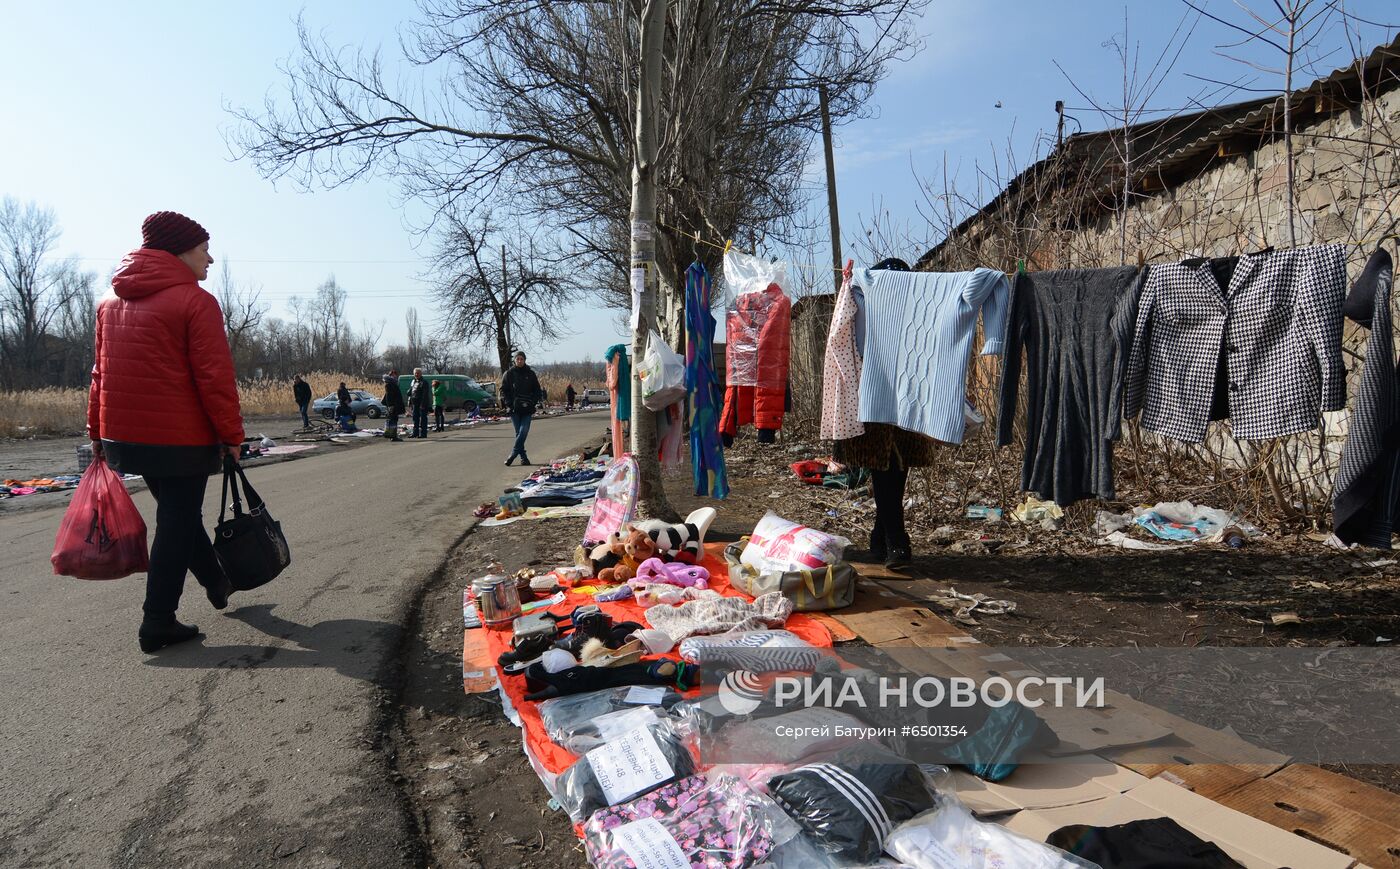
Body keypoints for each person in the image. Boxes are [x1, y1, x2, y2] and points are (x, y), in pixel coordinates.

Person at [88, 211, 241, 653]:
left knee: (179, 515)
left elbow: (100, 373)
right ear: (179, 251)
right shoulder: (195, 302)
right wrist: (232, 436)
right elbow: (214, 377)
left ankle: (217, 581)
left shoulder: (108, 303)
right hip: (181, 439)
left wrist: (96, 429)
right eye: (203, 249)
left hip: (126, 438)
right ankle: (157, 621)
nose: (210, 259)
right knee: (175, 522)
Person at [501, 350, 542, 466]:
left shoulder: (530, 374)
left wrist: (532, 402)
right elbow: (503, 390)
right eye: (517, 359)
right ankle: (524, 458)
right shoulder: (509, 373)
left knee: (523, 431)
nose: (519, 361)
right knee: (519, 432)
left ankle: (513, 454)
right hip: (514, 409)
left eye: (521, 359)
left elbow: (537, 391)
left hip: (527, 409)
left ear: (524, 360)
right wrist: (509, 403)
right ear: (514, 360)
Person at [407, 368, 431, 439]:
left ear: (421, 374)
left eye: (418, 373)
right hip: (415, 404)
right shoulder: (414, 381)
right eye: (415, 373)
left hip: (422, 404)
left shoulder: (424, 382)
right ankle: (415, 433)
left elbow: (425, 394)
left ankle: (423, 434)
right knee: (415, 419)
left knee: (423, 419)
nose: (416, 374)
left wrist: (422, 404)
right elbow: (411, 393)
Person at [382, 371, 405, 441]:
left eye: (395, 375)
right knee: (393, 420)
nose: (395, 376)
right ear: (390, 375)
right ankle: (393, 436)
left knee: (394, 419)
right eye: (393, 375)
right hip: (393, 405)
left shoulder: (392, 383)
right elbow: (389, 396)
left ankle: (392, 435)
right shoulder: (389, 384)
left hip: (395, 405)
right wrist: (390, 406)